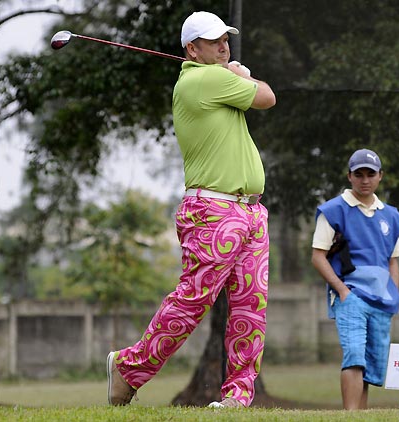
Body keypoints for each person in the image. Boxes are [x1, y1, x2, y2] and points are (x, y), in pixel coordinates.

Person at [106, 10, 276, 408]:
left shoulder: (215, 80)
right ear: (191, 49)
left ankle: (237, 396)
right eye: (213, 41)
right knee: (193, 299)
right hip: (216, 210)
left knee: (251, 309)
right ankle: (127, 368)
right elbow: (267, 97)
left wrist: (236, 74)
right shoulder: (205, 79)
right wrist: (242, 75)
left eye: (225, 39)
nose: (223, 45)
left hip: (250, 211)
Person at [311, 148, 399, 410]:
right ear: (349, 176)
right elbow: (318, 256)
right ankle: (350, 415)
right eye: (359, 174)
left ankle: (361, 415)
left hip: (381, 300)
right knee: (354, 356)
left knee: (371, 366)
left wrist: (392, 294)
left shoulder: (392, 216)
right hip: (350, 294)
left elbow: (392, 260)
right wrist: (342, 292)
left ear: (380, 176)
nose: (365, 180)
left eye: (370, 174)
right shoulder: (333, 210)